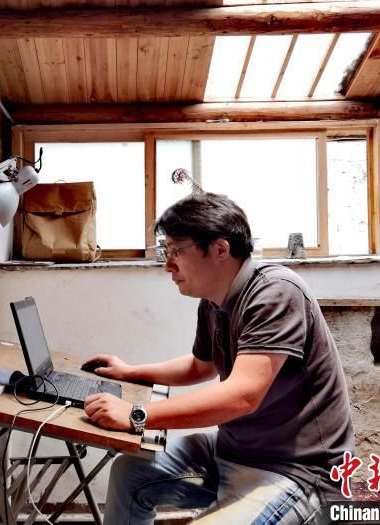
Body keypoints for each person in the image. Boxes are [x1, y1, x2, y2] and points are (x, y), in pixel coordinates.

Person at [83, 193, 354, 524]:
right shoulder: (214, 301)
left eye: (177, 252)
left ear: (220, 249)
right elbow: (201, 366)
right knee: (131, 473)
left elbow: (243, 396)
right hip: (234, 450)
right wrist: (130, 371)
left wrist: (136, 415)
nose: (168, 265)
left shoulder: (276, 292)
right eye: (166, 252)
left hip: (297, 471)